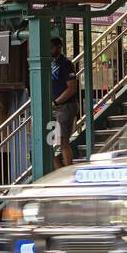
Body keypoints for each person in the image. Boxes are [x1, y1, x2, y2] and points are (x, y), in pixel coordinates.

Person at [50, 36, 79, 167]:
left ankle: (66, 171)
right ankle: (59, 172)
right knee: (48, 143)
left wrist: (56, 102)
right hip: (52, 107)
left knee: (63, 141)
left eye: (51, 47)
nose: (48, 50)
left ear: (59, 47)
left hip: (65, 106)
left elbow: (72, 88)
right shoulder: (49, 63)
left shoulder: (66, 64)